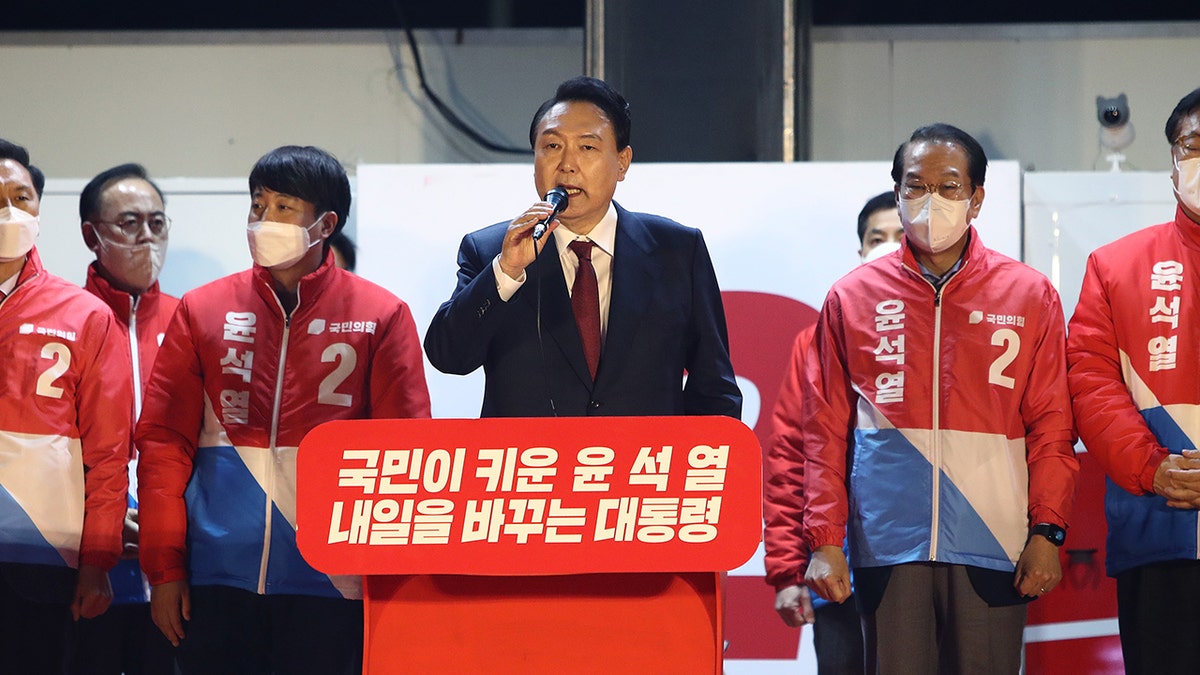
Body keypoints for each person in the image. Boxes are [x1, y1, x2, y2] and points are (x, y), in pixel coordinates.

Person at [135, 145, 432, 674]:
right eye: (257, 205)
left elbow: (405, 458)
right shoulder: (201, 311)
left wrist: (392, 586)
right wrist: (165, 570)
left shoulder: (382, 315)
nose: (264, 220)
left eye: (283, 207)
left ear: (325, 224)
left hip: (332, 581)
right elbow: (163, 444)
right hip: (215, 577)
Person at [802, 123, 1079, 674]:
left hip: (995, 540)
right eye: (915, 185)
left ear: (976, 198)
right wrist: (825, 538)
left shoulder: (1028, 293)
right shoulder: (851, 297)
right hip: (886, 544)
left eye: (950, 187)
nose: (932, 200)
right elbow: (826, 430)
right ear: (897, 191)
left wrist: (1048, 531)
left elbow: (1052, 424)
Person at [424, 75, 741, 419]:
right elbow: (449, 357)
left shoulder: (677, 251)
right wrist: (507, 271)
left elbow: (715, 389)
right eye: (552, 147)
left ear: (622, 162)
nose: (567, 165)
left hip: (643, 469)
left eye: (587, 147)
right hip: (533, 469)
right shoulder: (490, 251)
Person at [1066, 86, 1200, 675]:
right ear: (1172, 158)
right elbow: (1089, 383)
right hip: (1158, 530)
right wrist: (1152, 468)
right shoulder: (1114, 266)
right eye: (1193, 145)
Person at [0, 139, 132, 674]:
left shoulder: (86, 316)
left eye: (21, 197)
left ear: (38, 208)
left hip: (43, 563)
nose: (9, 212)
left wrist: (97, 564)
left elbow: (109, 454)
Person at [763, 191, 901, 675]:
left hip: (929, 569)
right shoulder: (818, 340)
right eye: (875, 238)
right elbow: (788, 461)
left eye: (901, 236)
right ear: (860, 253)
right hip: (838, 569)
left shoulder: (956, 334)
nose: (888, 246)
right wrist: (786, 571)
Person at [71, 163, 178, 675]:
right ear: (92, 235)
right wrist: (98, 525)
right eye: (129, 223)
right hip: (80, 567)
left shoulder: (192, 320)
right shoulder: (65, 319)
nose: (146, 238)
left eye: (157, 223)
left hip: (173, 573)